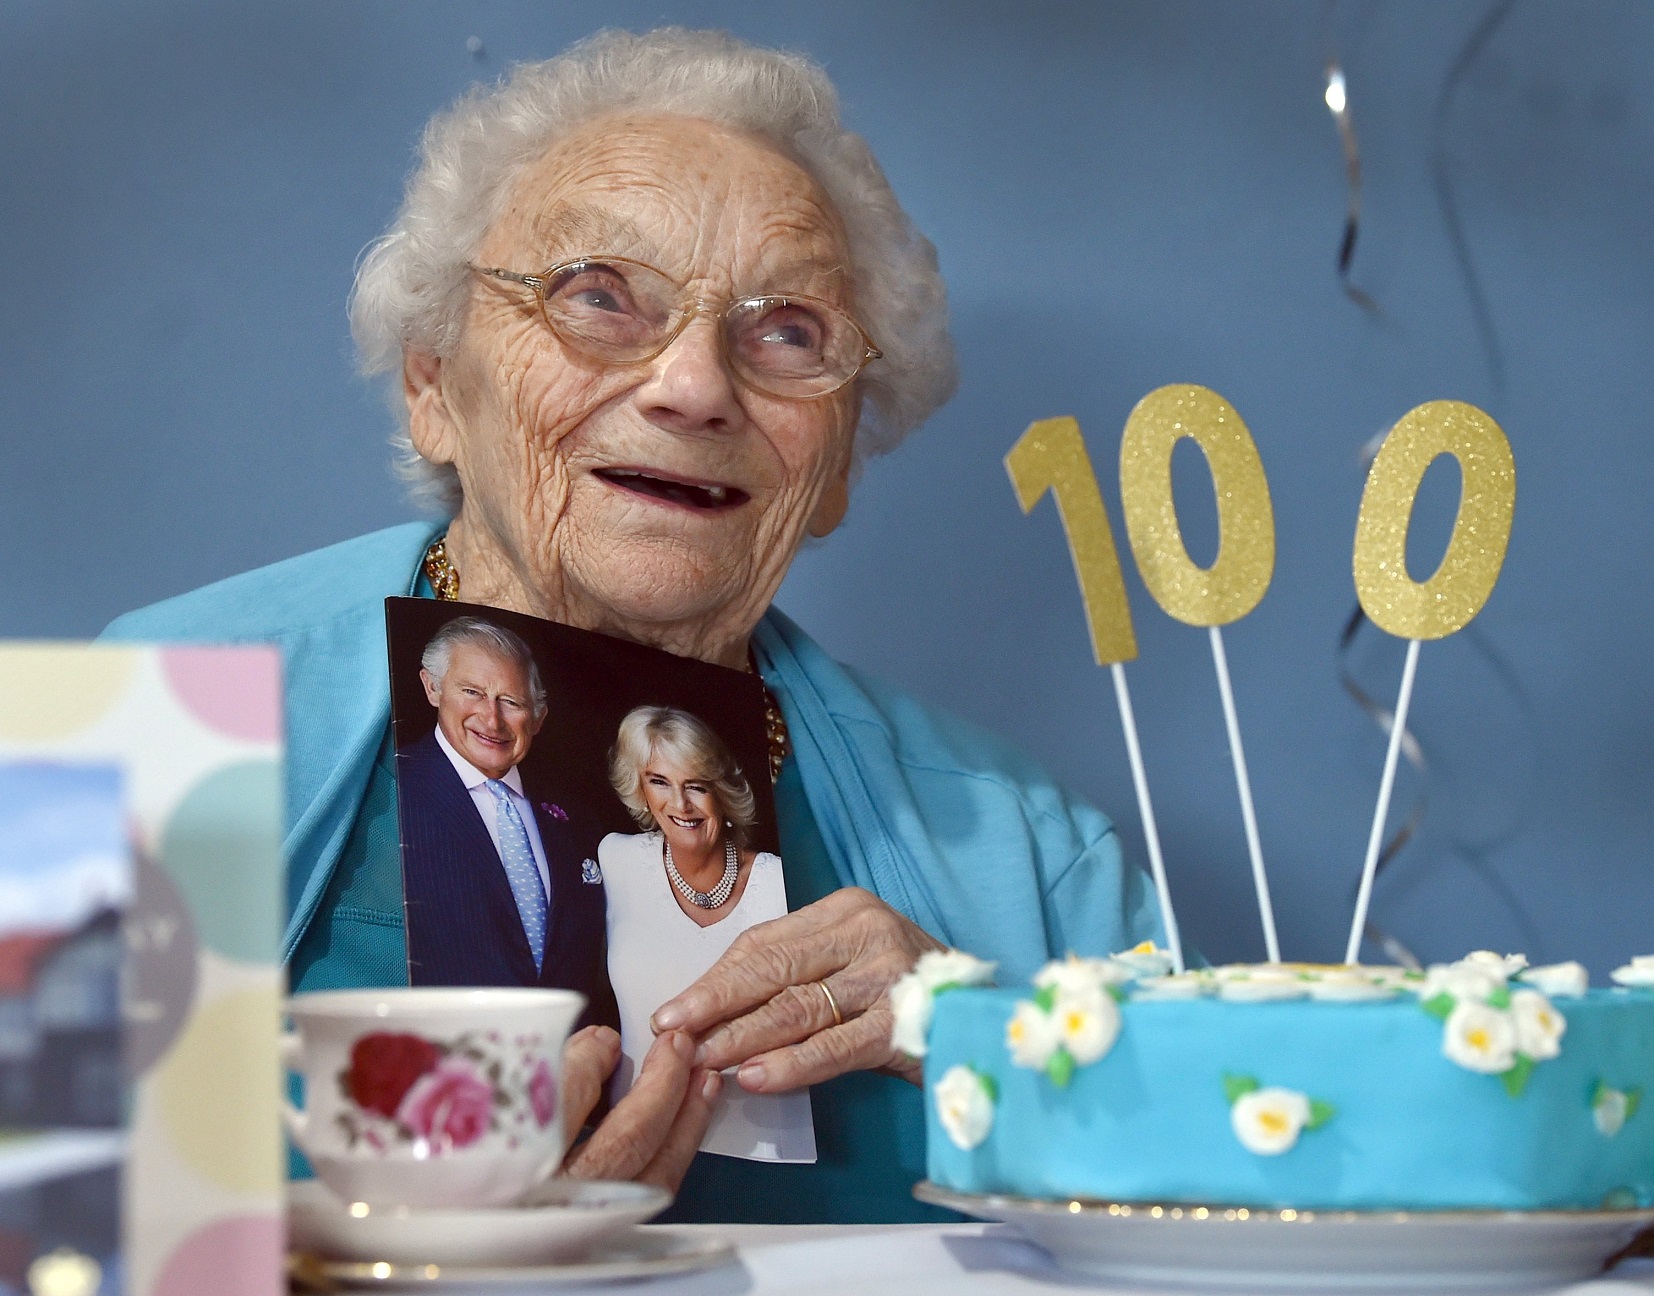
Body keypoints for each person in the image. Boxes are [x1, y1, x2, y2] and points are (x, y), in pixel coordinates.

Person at [102, 29, 1162, 1219]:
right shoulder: (146, 721)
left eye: (787, 333)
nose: (697, 386)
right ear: (434, 385)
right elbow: (34, 1229)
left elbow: (1247, 1189)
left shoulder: (1027, 856)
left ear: (839, 467)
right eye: (599, 297)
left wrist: (999, 1044)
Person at [599, 707, 810, 1162]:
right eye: (660, 782)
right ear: (640, 787)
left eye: (696, 785)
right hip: (637, 1137)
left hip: (768, 1148)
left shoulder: (779, 881)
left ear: (723, 791)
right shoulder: (616, 859)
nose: (680, 805)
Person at [398, 618, 613, 1028]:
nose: (492, 719)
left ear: (538, 718)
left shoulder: (577, 819)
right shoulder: (393, 793)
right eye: (472, 692)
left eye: (511, 702)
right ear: (432, 687)